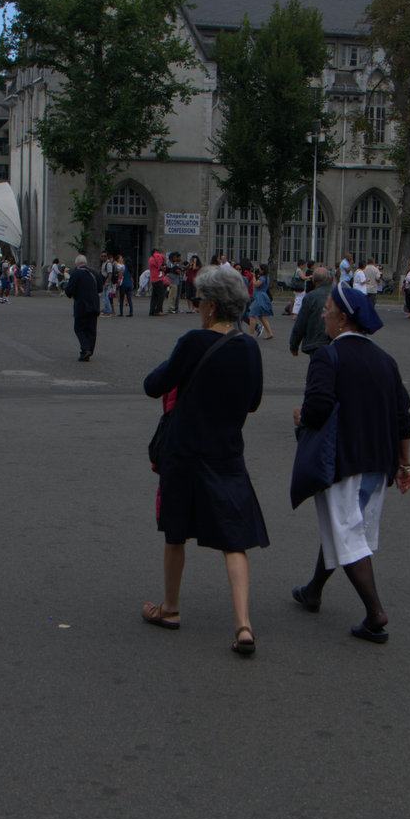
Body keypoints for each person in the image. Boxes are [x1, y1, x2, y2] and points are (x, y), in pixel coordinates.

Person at [141, 265, 269, 655]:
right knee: (234, 538)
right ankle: (243, 624)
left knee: (176, 531)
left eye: (199, 301)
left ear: (211, 306)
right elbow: (253, 402)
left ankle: (171, 608)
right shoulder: (249, 346)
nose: (197, 306)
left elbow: (154, 385)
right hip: (226, 450)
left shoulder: (194, 341)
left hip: (185, 450)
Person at [289, 284, 410, 643]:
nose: (323, 315)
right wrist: (404, 464)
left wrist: (301, 417)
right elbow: (403, 419)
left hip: (343, 461)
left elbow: (317, 408)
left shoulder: (327, 356)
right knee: (345, 527)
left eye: (328, 310)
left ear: (343, 319)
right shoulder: (386, 361)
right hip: (378, 464)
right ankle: (314, 590)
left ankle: (375, 613)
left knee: (347, 532)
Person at [289, 265, 333, 357]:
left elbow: (301, 323)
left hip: (317, 342)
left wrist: (294, 345)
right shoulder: (337, 294)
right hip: (335, 341)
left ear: (313, 281)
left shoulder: (310, 297)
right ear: (329, 279)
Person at [66, 254, 100, 361]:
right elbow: (100, 288)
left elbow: (69, 290)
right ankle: (88, 350)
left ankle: (85, 348)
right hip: (94, 304)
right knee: (91, 330)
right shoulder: (94, 273)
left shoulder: (76, 274)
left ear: (77, 264)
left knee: (79, 328)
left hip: (81, 305)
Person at [247, 264, 275, 340]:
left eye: (259, 269)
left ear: (262, 270)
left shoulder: (262, 278)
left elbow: (255, 284)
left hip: (260, 298)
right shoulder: (266, 277)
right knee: (261, 316)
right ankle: (269, 333)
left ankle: (251, 334)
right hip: (262, 297)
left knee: (252, 315)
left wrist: (253, 276)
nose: (258, 270)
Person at [148, 247, 169, 315]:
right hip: (158, 279)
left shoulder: (150, 259)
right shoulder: (156, 257)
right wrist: (163, 265)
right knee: (161, 295)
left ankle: (152, 310)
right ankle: (159, 310)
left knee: (154, 296)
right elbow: (161, 267)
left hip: (153, 279)